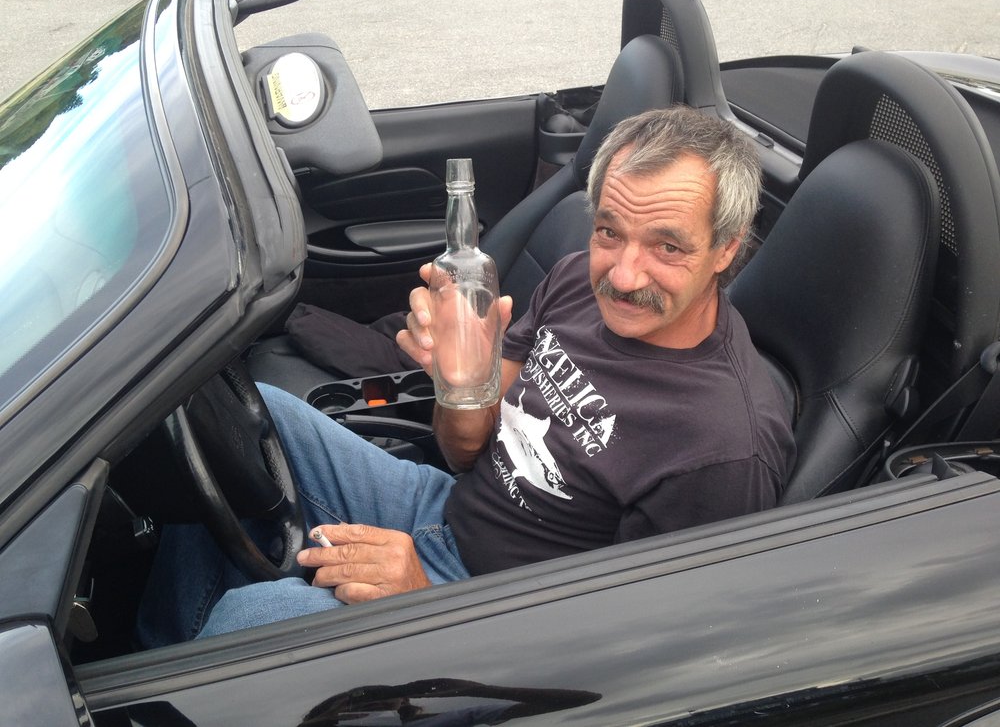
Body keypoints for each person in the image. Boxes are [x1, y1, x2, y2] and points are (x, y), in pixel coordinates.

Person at [137, 106, 794, 645]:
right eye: (609, 232)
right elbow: (466, 451)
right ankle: (159, 649)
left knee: (251, 620)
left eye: (667, 246)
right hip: (447, 506)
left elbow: (630, 647)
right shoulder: (576, 282)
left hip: (497, 609)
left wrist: (428, 596)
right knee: (240, 419)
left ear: (726, 248)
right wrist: (460, 386)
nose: (622, 276)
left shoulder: (722, 449)